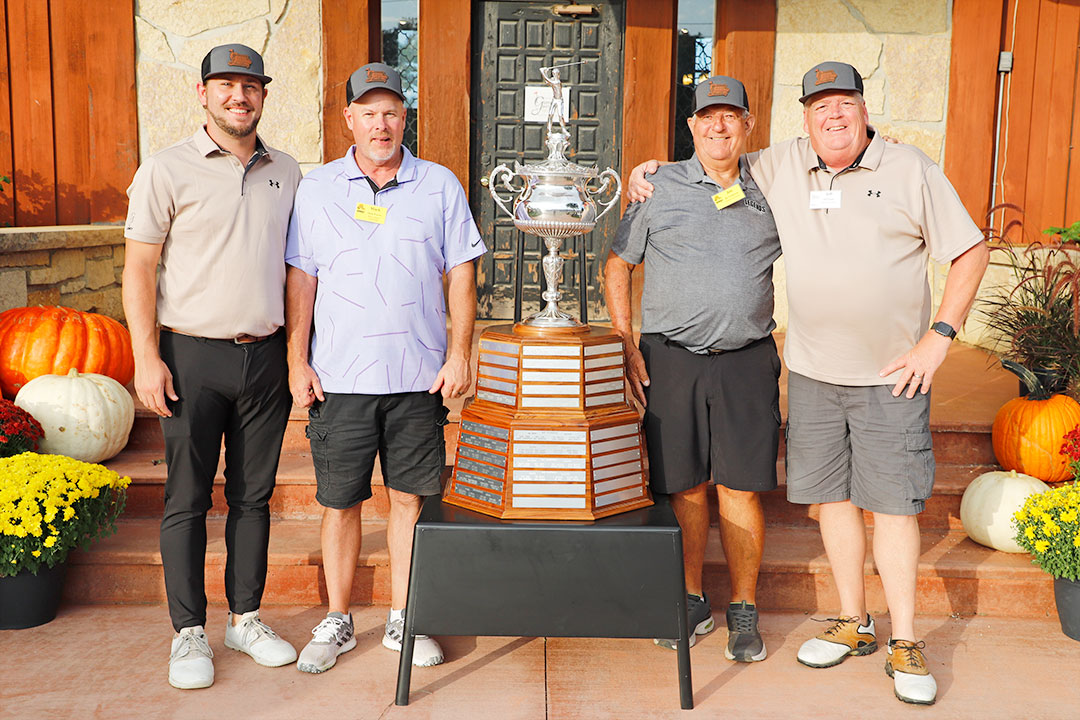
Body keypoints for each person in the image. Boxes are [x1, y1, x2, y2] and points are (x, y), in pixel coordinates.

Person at [627, 61, 989, 706]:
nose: (833, 116)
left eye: (844, 103)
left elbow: (971, 249)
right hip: (814, 371)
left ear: (864, 110)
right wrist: (646, 170)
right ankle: (853, 621)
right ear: (804, 119)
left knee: (894, 506)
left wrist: (940, 335)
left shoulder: (909, 169)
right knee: (834, 502)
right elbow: (716, 152)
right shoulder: (783, 163)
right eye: (820, 107)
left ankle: (906, 638)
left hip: (892, 375)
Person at [284, 63, 486, 674]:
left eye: (392, 112)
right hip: (338, 379)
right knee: (339, 503)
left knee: (409, 502)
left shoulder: (439, 184)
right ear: (348, 117)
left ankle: (405, 617)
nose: (381, 124)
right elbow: (301, 278)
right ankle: (338, 619)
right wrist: (297, 359)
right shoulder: (317, 188)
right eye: (369, 112)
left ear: (405, 118)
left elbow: (462, 273)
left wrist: (459, 354)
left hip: (417, 378)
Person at [122, 43, 301, 690]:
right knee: (188, 497)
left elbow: (298, 268)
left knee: (253, 496)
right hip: (190, 355)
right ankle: (189, 631)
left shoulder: (288, 171)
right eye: (225, 85)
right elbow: (139, 267)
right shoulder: (166, 169)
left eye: (249, 86)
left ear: (263, 95)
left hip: (266, 358)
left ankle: (244, 618)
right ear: (203, 94)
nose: (238, 96)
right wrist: (146, 358)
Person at [605, 75, 780, 662]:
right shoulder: (657, 186)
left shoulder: (774, 185)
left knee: (740, 487)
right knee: (683, 486)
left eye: (730, 116)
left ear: (748, 124)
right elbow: (617, 265)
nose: (718, 126)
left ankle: (744, 608)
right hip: (671, 360)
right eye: (707, 117)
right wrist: (625, 342)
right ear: (691, 126)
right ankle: (691, 598)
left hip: (746, 361)